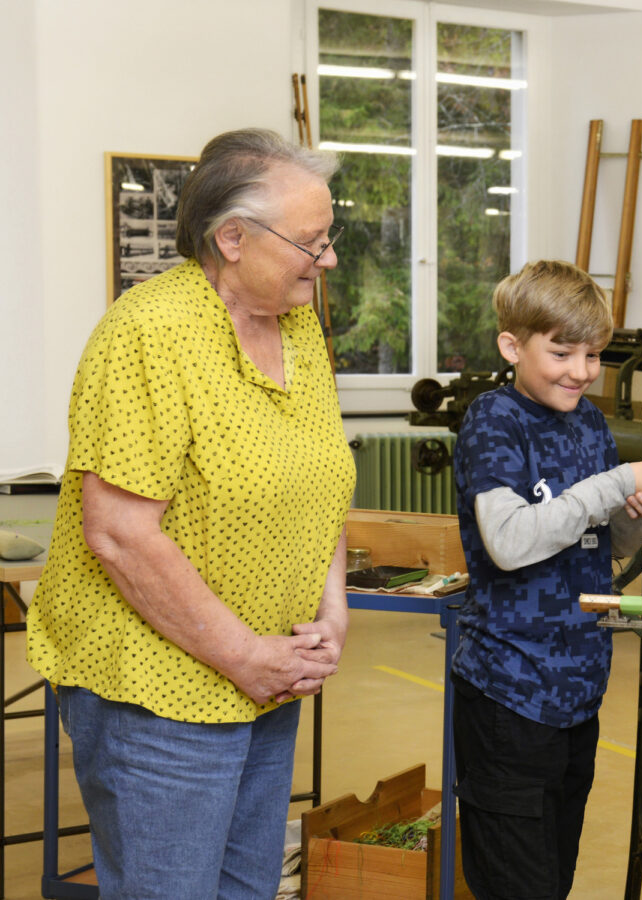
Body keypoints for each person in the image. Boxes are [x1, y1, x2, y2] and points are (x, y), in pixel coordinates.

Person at [26, 129, 356, 898]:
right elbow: (118, 533)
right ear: (232, 238)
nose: (329, 258)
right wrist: (242, 652)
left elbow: (321, 482)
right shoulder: (149, 334)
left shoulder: (299, 327)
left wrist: (329, 614)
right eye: (311, 241)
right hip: (160, 691)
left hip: (267, 676)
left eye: (328, 237)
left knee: (247, 890)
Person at [450, 259, 642, 900]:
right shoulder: (496, 421)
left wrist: (633, 514)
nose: (580, 371)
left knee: (552, 881)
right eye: (562, 352)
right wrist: (610, 484)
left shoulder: (590, 424)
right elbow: (512, 542)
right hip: (509, 694)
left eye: (594, 354)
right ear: (512, 346)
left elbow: (605, 546)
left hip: (577, 697)